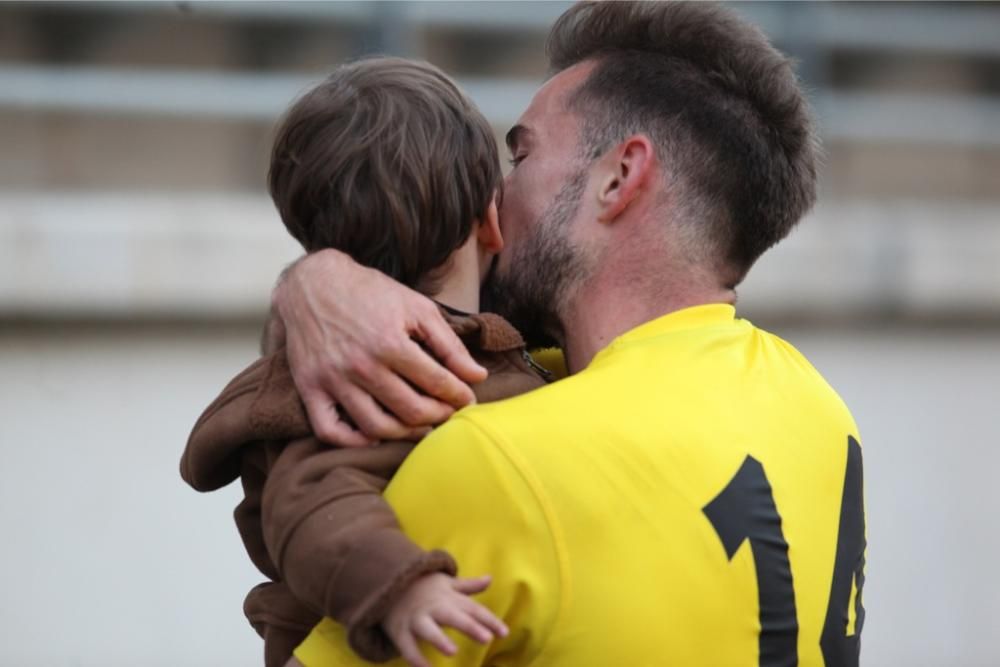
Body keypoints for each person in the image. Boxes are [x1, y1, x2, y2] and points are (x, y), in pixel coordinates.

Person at [276, 3, 867, 667]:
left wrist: (314, 277)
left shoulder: (495, 461)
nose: (490, 202)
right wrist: (320, 279)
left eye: (520, 154)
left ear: (617, 178)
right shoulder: (817, 409)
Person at [180, 57, 549, 667]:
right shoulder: (376, 375)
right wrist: (403, 588)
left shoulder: (488, 338)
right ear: (490, 218)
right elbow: (314, 501)